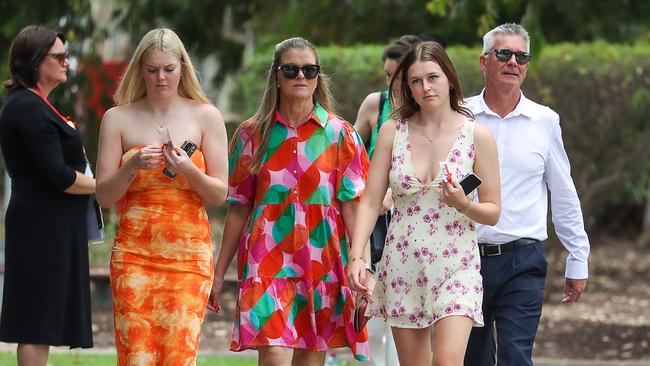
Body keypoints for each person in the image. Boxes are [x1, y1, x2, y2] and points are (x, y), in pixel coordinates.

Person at [207, 36, 371, 365]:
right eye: (291, 69)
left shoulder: (341, 135)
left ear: (318, 78)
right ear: (277, 77)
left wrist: (361, 265)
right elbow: (239, 208)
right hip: (265, 258)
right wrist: (218, 272)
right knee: (274, 355)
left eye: (309, 70)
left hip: (321, 262)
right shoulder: (251, 135)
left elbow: (355, 209)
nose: (301, 76)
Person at [347, 41, 501, 365]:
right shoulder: (392, 132)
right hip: (403, 262)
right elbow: (371, 200)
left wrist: (464, 204)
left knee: (446, 362)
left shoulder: (478, 136)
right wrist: (356, 256)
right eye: (416, 81)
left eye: (432, 77)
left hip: (456, 265)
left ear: (449, 79)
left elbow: (493, 211)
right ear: (408, 89)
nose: (425, 87)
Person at [95, 28, 228, 365]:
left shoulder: (206, 116)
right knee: (136, 355)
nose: (161, 77)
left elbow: (219, 194)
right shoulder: (118, 118)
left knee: (179, 355)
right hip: (134, 254)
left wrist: (189, 170)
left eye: (168, 69)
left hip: (188, 255)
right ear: (140, 70)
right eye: (152, 69)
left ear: (182, 67)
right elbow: (104, 196)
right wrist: (133, 166)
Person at [463, 23, 590, 366]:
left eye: (522, 56)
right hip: (463, 259)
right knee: (472, 359)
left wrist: (577, 257)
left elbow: (563, 191)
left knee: (516, 356)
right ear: (483, 61)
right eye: (503, 54)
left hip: (522, 259)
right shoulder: (459, 116)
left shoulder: (544, 121)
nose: (513, 62)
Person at [0, 25, 95, 365]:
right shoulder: (26, 106)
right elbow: (58, 175)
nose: (66, 62)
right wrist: (105, 184)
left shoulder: (37, 104)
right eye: (59, 56)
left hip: (50, 223)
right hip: (40, 225)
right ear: (36, 60)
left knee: (43, 320)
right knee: (36, 323)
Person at [353, 34, 425, 366]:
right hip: (374, 228)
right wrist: (370, 193)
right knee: (372, 314)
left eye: (398, 76)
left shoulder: (427, 116)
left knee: (407, 318)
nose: (392, 84)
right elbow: (349, 161)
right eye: (387, 75)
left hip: (413, 230)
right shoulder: (375, 105)